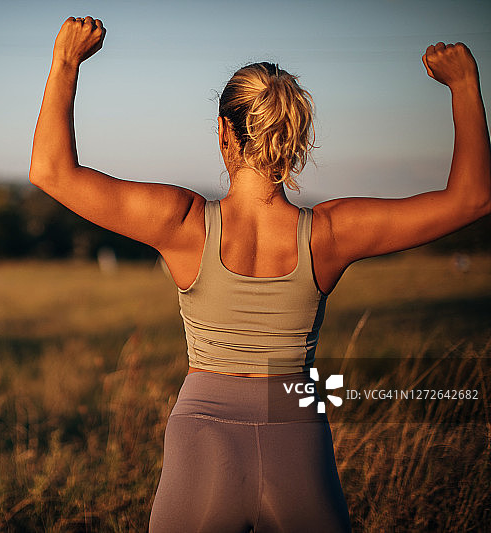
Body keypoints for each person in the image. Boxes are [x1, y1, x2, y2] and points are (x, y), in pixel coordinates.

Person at [29, 16, 490, 533]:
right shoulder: (330, 234)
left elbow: (51, 171)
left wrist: (66, 62)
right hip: (296, 425)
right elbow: (472, 199)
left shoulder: (182, 223)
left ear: (224, 132)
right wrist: (465, 86)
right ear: (295, 137)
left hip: (201, 437)